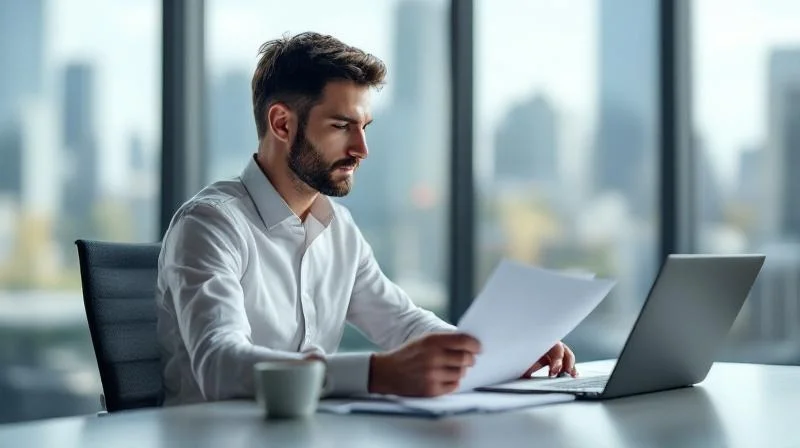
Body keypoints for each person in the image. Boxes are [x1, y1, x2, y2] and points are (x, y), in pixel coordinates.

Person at [156, 31, 577, 405]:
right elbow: (220, 364)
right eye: (342, 126)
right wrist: (377, 373)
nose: (362, 148)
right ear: (282, 124)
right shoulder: (210, 225)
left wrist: (501, 351)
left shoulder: (338, 229)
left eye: (365, 127)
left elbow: (402, 322)